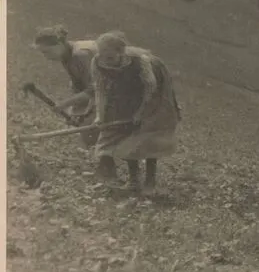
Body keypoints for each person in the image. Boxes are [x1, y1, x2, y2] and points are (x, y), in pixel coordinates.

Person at [90, 30, 182, 195]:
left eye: (111, 58)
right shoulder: (97, 62)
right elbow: (101, 90)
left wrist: (141, 113)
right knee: (126, 134)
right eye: (102, 56)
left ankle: (150, 182)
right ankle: (133, 181)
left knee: (148, 135)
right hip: (126, 92)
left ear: (122, 52)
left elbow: (150, 90)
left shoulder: (141, 62)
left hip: (154, 93)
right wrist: (100, 116)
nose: (107, 61)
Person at [32, 25, 112, 172]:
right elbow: (79, 86)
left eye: (47, 52)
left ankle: (107, 166)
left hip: (120, 88)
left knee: (94, 125)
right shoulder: (67, 56)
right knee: (83, 122)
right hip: (102, 90)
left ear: (59, 44)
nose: (46, 57)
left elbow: (95, 89)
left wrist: (64, 105)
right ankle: (105, 163)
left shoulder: (80, 55)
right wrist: (74, 111)